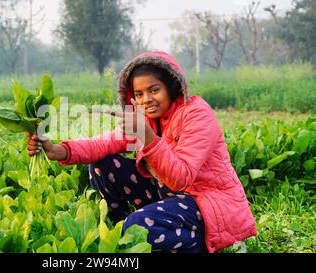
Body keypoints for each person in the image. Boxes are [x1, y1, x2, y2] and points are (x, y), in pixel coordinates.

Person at [26, 51, 257, 253]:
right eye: (139, 94)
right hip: (168, 195)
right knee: (101, 164)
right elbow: (104, 143)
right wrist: (58, 150)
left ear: (172, 87)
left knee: (138, 226)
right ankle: (121, 233)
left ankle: (196, 244)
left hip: (204, 202)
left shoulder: (196, 115)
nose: (146, 100)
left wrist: (147, 137)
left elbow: (181, 178)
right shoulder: (147, 119)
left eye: (154, 90)